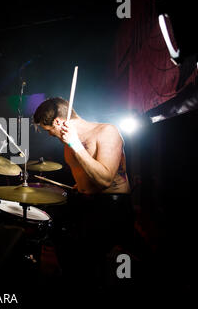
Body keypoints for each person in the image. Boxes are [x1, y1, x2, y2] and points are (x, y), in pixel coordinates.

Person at [33, 97, 134, 288]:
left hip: (112, 207)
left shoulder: (107, 132)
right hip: (85, 203)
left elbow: (104, 180)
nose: (50, 135)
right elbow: (86, 178)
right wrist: (78, 187)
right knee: (77, 267)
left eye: (49, 131)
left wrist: (76, 145)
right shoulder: (67, 144)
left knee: (116, 272)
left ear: (58, 122)